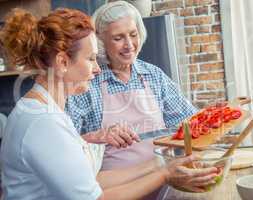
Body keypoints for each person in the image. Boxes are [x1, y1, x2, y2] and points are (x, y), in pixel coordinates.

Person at [0, 8, 219, 200]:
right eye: (91, 59)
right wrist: (165, 174)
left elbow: (92, 181)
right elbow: (96, 197)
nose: (97, 68)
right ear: (63, 62)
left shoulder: (46, 112)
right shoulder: (43, 122)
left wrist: (160, 165)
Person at [66, 0, 198, 171]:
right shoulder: (88, 83)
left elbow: (188, 123)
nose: (129, 45)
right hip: (117, 188)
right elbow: (66, 144)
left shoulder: (154, 75)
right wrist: (98, 135)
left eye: (133, 34)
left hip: (164, 180)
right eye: (118, 38)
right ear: (100, 43)